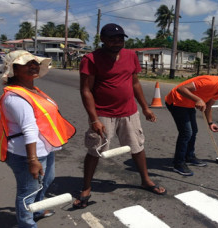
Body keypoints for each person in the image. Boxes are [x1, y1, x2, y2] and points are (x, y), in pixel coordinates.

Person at [73, 23, 166, 209]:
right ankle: (86, 188)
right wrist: (94, 119)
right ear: (103, 40)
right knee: (95, 150)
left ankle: (145, 180)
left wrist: (145, 108)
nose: (117, 42)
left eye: (120, 39)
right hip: (103, 114)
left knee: (137, 146)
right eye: (112, 39)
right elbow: (86, 91)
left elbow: (135, 84)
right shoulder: (90, 59)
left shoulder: (131, 56)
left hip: (129, 112)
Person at [0, 50, 76, 227]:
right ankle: (26, 224)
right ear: (13, 69)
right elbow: (29, 128)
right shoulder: (15, 96)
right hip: (26, 154)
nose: (34, 65)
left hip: (44, 148)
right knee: (28, 192)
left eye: (35, 62)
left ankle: (36, 210)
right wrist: (32, 160)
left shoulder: (32, 90)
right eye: (26, 63)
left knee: (46, 180)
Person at [165, 69, 218, 176]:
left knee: (194, 131)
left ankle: (189, 156)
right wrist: (198, 99)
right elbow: (181, 89)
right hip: (176, 101)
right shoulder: (211, 82)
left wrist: (210, 123)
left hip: (188, 104)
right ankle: (178, 163)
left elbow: (208, 106)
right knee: (186, 133)